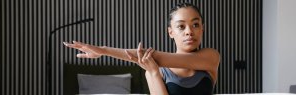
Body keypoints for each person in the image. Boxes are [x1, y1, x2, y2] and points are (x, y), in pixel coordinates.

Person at [63, 3, 220, 95]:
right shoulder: (156, 69)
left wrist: (104, 50)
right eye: (181, 26)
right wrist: (153, 73)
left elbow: (158, 57)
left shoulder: (210, 57)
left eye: (195, 24)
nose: (189, 31)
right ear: (170, 32)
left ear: (202, 28)